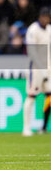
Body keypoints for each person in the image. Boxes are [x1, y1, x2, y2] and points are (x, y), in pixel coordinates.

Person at [23, 7, 51, 137]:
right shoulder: (33, 30)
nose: (46, 19)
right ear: (40, 16)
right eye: (44, 16)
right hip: (36, 69)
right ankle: (26, 128)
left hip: (49, 68)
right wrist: (42, 70)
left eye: (48, 17)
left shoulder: (49, 30)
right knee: (32, 96)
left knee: (49, 96)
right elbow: (32, 52)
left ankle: (44, 127)